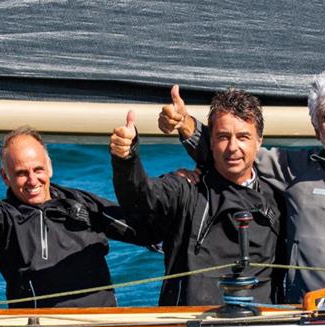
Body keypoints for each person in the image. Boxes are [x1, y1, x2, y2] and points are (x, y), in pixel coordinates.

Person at [160, 69, 325, 305]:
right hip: (305, 318)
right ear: (316, 130)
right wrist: (184, 124)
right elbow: (236, 155)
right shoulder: (294, 167)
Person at [111, 88, 285, 306]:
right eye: (223, 137)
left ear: (259, 141)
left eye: (243, 137)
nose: (233, 147)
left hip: (263, 326)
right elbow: (141, 199)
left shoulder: (279, 200)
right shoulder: (187, 188)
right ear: (210, 141)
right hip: (189, 326)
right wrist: (126, 159)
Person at [0, 125, 148, 307]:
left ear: (50, 167)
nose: (32, 180)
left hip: (103, 324)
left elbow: (143, 227)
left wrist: (127, 159)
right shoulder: (3, 219)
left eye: (38, 169)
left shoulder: (80, 202)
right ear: (5, 177)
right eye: (21, 173)